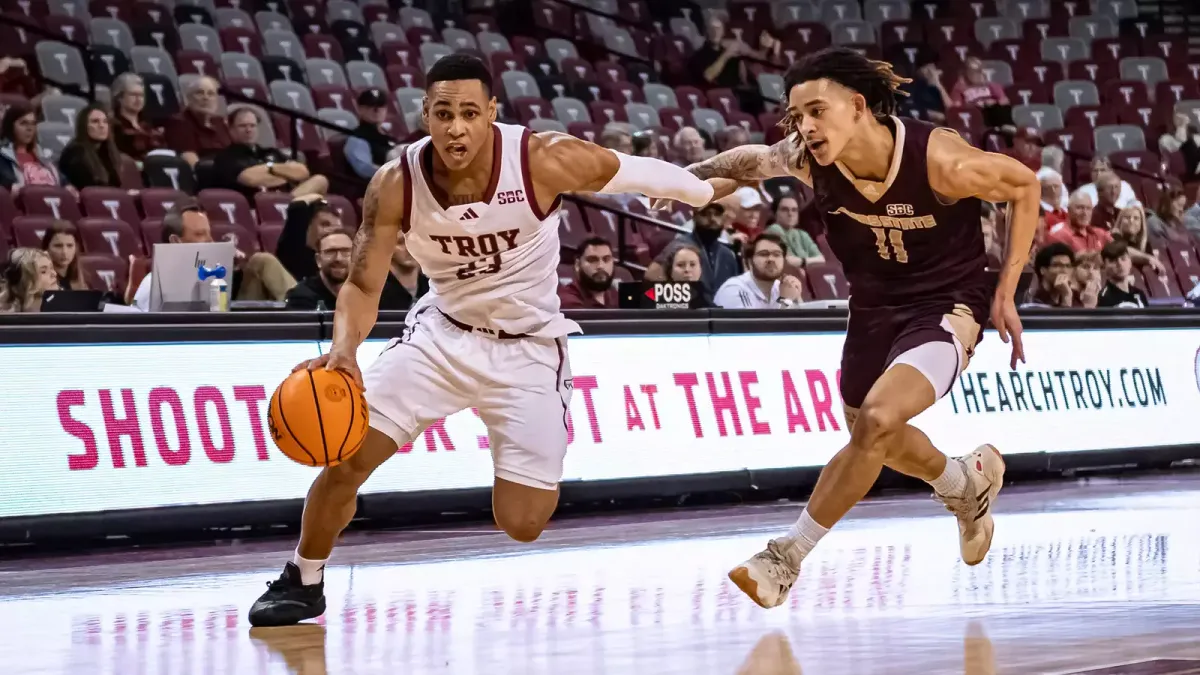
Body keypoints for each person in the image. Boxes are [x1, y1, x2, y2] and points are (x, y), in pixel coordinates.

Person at [246, 53, 715, 626]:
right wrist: (344, 353)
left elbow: (637, 170)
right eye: (444, 113)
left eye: (470, 112)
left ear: (492, 111)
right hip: (442, 338)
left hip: (529, 348)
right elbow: (363, 285)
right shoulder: (396, 183)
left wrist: (701, 190)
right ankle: (305, 576)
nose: (457, 127)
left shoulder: (542, 159)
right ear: (425, 115)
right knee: (345, 458)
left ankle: (543, 414)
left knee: (522, 521)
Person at [673, 48, 1039, 609]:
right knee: (875, 438)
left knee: (878, 419)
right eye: (798, 117)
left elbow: (1024, 185)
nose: (806, 127)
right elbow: (748, 164)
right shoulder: (810, 157)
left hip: (946, 306)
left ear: (858, 106)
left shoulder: (939, 160)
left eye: (817, 112)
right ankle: (966, 484)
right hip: (872, 308)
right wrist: (687, 179)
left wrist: (1007, 291)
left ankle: (783, 558)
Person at [213, 107, 328, 200]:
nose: (249, 130)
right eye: (243, 126)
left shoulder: (271, 152)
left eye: (252, 125)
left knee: (320, 180)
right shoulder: (227, 156)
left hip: (290, 196)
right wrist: (284, 173)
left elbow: (302, 172)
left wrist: (267, 170)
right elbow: (249, 178)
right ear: (231, 129)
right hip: (258, 204)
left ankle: (287, 203)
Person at [713, 232, 806, 308]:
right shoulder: (735, 290)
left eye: (777, 254)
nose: (771, 259)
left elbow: (804, 326)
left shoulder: (782, 288)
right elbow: (753, 329)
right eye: (764, 254)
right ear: (750, 261)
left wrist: (797, 297)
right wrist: (785, 301)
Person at [57, 103, 128, 189]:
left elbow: (115, 184)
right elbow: (89, 187)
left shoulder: (106, 151)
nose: (102, 125)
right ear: (84, 126)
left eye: (105, 122)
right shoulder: (75, 153)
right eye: (95, 121)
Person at [0, 102, 62, 192]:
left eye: (33, 123)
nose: (29, 128)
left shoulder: (43, 154)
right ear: (11, 125)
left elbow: (61, 179)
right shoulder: (2, 156)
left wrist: (68, 186)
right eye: (23, 123)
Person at [343, 88, 395, 180]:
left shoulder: (386, 135)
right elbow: (365, 169)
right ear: (360, 109)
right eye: (370, 106)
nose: (376, 110)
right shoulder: (358, 139)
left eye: (380, 106)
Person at [557, 237, 619, 309]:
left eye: (606, 259)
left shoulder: (616, 296)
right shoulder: (567, 299)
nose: (601, 266)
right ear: (577, 265)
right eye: (592, 260)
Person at [0, 248, 58, 312]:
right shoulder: (6, 318)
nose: (54, 274)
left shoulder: (62, 307)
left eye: (51, 268)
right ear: (25, 281)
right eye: (43, 271)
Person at [1097, 240, 1148, 308]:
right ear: (1104, 267)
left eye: (1123, 259)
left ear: (1130, 262)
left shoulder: (1139, 293)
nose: (1120, 264)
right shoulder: (1104, 298)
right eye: (1113, 261)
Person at [40, 220, 87, 290]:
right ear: (46, 248)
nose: (64, 252)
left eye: (70, 245)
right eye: (58, 246)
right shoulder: (39, 280)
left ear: (76, 248)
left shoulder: (85, 279)